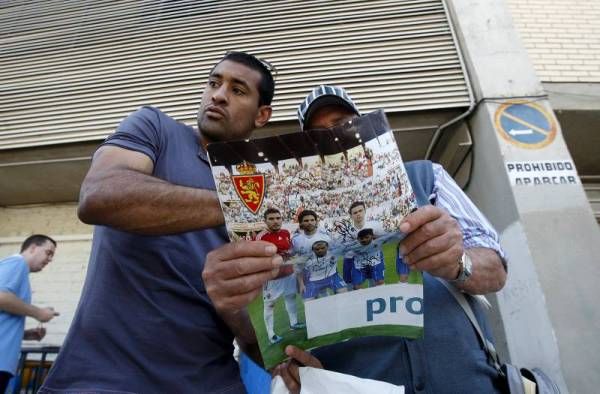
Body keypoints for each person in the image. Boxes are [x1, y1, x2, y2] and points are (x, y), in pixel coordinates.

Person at [39, 51, 283, 394]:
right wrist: (239, 207)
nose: (218, 94)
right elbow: (99, 194)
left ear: (262, 115)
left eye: (238, 90)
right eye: (214, 83)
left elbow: (259, 343)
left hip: (212, 382)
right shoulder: (154, 127)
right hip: (104, 381)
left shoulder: (264, 188)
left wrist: (240, 313)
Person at [271, 85, 508, 393]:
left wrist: (458, 262)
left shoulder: (426, 175)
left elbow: (497, 269)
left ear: (364, 129)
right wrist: (287, 363)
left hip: (464, 379)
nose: (333, 137)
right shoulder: (294, 218)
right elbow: (285, 310)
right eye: (317, 134)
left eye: (343, 123)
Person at [0, 235, 58, 393]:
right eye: (48, 252)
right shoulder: (16, 263)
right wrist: (39, 313)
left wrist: (26, 334)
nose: (50, 259)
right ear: (32, 248)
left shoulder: (18, 269)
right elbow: (1, 296)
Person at [255, 208, 303, 344]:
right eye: (271, 219)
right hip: (272, 279)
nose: (275, 221)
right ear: (265, 221)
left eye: (278, 218)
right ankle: (271, 334)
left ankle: (294, 323)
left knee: (291, 298)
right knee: (270, 305)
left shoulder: (286, 233)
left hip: (288, 274)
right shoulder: (260, 237)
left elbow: (289, 252)